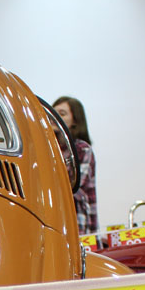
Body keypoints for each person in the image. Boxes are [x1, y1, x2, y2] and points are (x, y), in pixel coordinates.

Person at [53, 96, 97, 233]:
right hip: (54, 219)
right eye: (53, 113)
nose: (54, 117)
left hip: (77, 222)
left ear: (75, 121)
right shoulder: (48, 148)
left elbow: (74, 186)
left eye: (62, 114)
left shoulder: (82, 149)